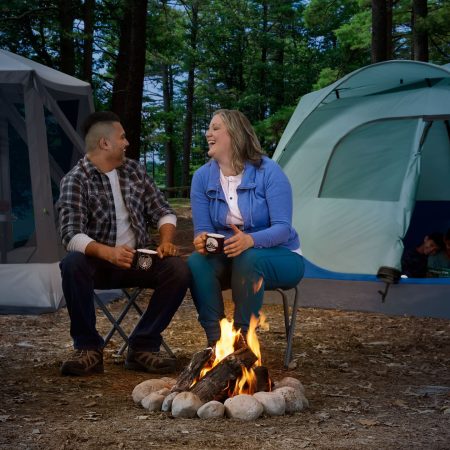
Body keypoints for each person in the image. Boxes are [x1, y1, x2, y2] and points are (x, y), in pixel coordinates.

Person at [56, 111, 190, 376]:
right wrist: (109, 253)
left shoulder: (134, 171)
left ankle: (143, 345)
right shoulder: (76, 179)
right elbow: (70, 235)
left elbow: (164, 211)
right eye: (122, 137)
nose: (127, 142)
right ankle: (88, 349)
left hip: (140, 259)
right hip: (99, 264)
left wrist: (165, 241)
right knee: (72, 263)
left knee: (179, 270)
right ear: (105, 143)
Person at [188, 109, 304, 346]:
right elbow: (202, 230)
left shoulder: (269, 172)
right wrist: (202, 240)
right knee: (196, 261)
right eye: (209, 128)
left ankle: (242, 341)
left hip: (281, 257)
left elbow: (282, 228)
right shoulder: (202, 177)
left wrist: (250, 240)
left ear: (235, 134)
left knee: (249, 257)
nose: (208, 133)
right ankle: (216, 341)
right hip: (230, 258)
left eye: (215, 128)